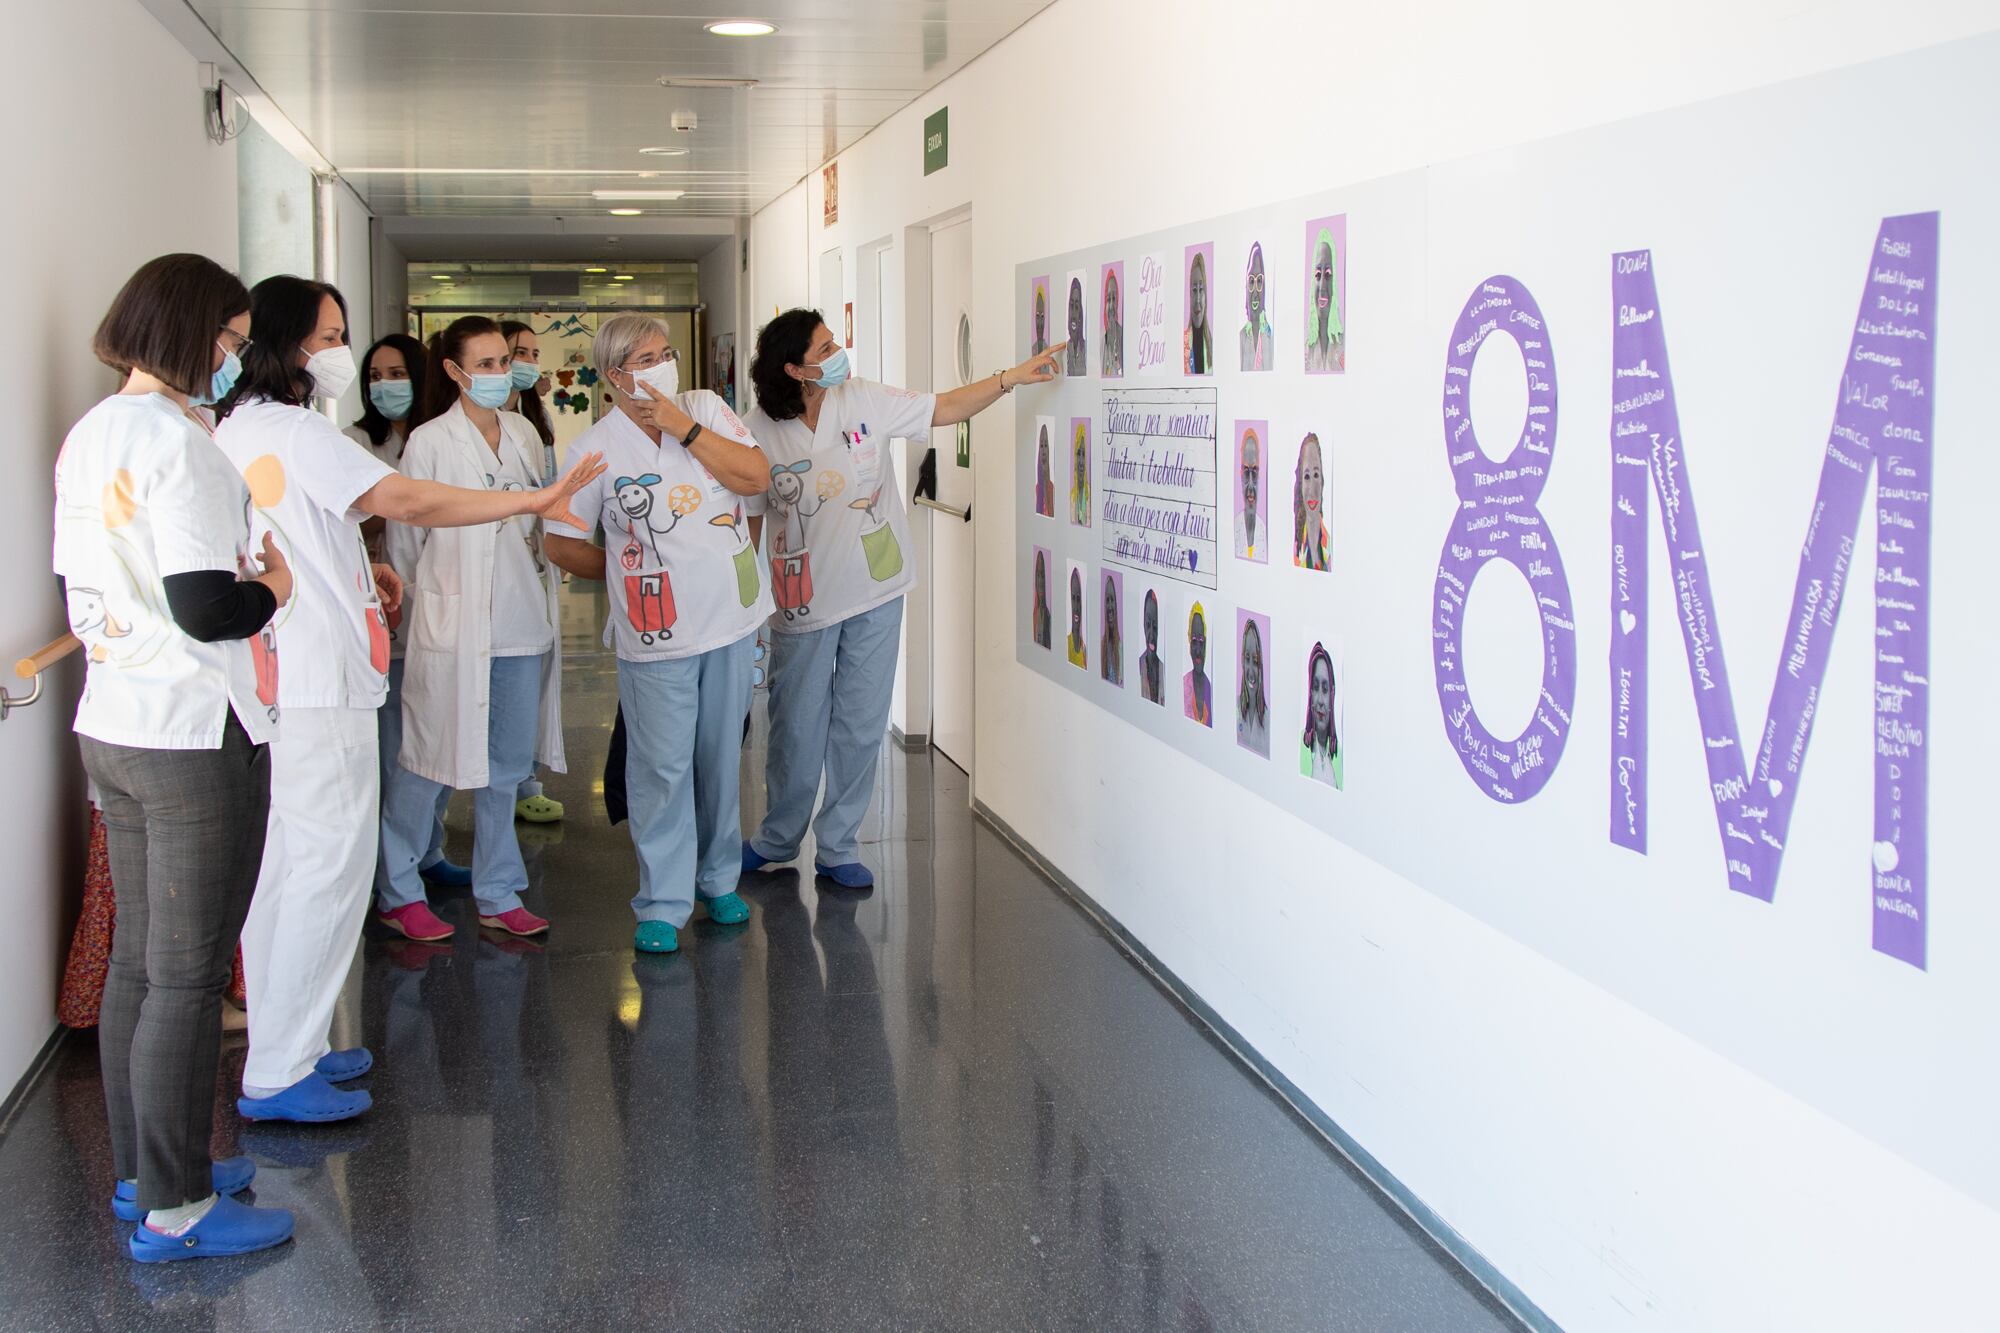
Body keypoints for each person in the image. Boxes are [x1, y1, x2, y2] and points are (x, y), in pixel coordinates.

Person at [212, 278, 602, 1123]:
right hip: (316, 683)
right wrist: (532, 500)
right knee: (323, 869)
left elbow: (322, 530)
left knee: (288, 871)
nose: (340, 351)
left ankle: (297, 1043)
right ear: (283, 342)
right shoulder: (287, 427)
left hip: (295, 673)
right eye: (328, 335)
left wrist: (365, 569)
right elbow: (405, 501)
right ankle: (280, 1069)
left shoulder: (241, 427)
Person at [54, 253, 294, 1260]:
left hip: (113, 716)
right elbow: (209, 606)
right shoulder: (181, 447)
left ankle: (143, 1172)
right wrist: (274, 584)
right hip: (191, 729)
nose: (236, 359)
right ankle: (179, 1206)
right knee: (188, 975)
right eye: (231, 341)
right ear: (189, 331)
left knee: (143, 967)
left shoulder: (94, 431)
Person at [742, 307, 1061, 888]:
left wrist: (1011, 377)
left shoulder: (862, 397)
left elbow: (942, 408)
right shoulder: (757, 431)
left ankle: (838, 845)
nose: (838, 352)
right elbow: (753, 521)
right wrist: (749, 603)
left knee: (861, 723)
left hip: (876, 588)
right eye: (824, 348)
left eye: (833, 341)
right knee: (796, 727)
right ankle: (778, 837)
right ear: (794, 369)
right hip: (802, 602)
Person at [543, 315, 771, 954]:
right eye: (649, 357)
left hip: (730, 620)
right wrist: (624, 573)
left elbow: (756, 479)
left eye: (668, 352)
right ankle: (663, 901)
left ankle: (720, 879)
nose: (666, 364)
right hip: (657, 639)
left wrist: (685, 429)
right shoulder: (594, 449)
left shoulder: (705, 407)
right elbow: (560, 543)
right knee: (662, 768)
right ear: (617, 375)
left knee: (720, 758)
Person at [376, 316, 576, 941]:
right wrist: (409, 623)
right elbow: (406, 540)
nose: (499, 374)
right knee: (427, 758)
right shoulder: (430, 443)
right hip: (449, 625)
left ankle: (499, 889)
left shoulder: (522, 432)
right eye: (484, 364)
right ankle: (398, 889)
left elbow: (540, 527)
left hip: (519, 623)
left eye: (503, 363)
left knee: (506, 763)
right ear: (455, 372)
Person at [350, 333, 465, 892]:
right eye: (375, 376)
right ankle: (391, 868)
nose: (384, 386)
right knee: (398, 745)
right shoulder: (353, 442)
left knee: (435, 738)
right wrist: (393, 512)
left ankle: (430, 849)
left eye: (396, 373)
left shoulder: (439, 437)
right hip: (381, 609)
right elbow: (349, 519)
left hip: (438, 604)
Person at [500, 319, 566, 826]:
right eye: (517, 352)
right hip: (496, 574)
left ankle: (525, 779)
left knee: (533, 681)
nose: (526, 363)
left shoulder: (532, 420)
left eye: (531, 354)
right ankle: (506, 784)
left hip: (535, 564)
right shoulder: (451, 433)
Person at [1302, 640, 1343, 788]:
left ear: (1332, 695)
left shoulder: (1340, 757)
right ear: (1310, 692)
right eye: (1315, 687)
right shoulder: (1301, 750)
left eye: (1325, 689)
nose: (1320, 700)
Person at [1306, 228, 1345, 373]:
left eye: (1328, 275)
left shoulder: (1343, 344)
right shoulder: (1307, 348)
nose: (1322, 286)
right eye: (1317, 275)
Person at [1293, 432, 1330, 571]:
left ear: (1322, 481)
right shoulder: (1297, 549)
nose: (1312, 489)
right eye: (1307, 476)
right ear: (1301, 484)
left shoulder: (1329, 546)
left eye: (1316, 475)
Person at [1237, 617, 1269, 756]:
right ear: (1242, 661)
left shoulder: (1268, 722)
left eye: (1255, 661)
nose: (1250, 670)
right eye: (1247, 659)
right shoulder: (1234, 708)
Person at [1241, 242, 1274, 371]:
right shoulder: (1241, 337)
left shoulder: (1271, 337)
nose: (1255, 292)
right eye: (1251, 281)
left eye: (1259, 281)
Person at [1183, 251, 1213, 375]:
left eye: (1201, 290)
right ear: (1189, 294)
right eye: (1194, 290)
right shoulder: (1184, 343)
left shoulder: (1212, 343)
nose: (1198, 300)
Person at [1184, 602, 1212, 726]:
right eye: (1194, 641)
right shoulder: (1183, 684)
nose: (1198, 650)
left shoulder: (1210, 688)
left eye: (1201, 641)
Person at [1237, 428, 1262, 560]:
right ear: (1240, 474)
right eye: (1246, 471)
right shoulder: (1233, 528)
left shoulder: (1264, 532)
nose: (1251, 485)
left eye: (1255, 471)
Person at [1138, 589, 1163, 704]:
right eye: (1148, 625)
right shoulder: (1138, 666)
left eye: (1155, 627)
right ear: (1143, 624)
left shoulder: (1163, 670)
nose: (1151, 635)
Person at [1100, 574, 1123, 687]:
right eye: (1107, 600)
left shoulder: (1121, 647)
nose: (1109, 606)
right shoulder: (1102, 645)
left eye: (1112, 600)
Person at [1101, 267, 1124, 378]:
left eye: (1113, 299)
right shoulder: (1102, 340)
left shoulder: (1122, 336)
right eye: (1108, 299)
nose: (1110, 306)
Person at [1065, 567, 1087, 669]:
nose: (1076, 606)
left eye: (1078, 599)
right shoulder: (1066, 644)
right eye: (1073, 598)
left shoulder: (1085, 652)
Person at [1065, 276, 1087, 376]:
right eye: (1071, 306)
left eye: (1077, 307)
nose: (1073, 313)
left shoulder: (1086, 349)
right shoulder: (1065, 349)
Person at [1070, 422, 1091, 526]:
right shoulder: (1072, 496)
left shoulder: (1089, 494)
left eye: (1084, 454)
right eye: (1079, 454)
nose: (1081, 461)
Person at [1031, 550, 1052, 649]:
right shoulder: (1034, 614)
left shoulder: (1048, 616)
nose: (1040, 582)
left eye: (1043, 576)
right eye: (1038, 576)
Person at [1033, 425, 1054, 518]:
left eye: (1046, 445)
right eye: (1041, 446)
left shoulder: (1051, 488)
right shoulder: (1037, 489)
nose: (1044, 451)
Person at [1032, 281, 1049, 356]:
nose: (1039, 322)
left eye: (1042, 316)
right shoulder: (1033, 348)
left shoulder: (1047, 349)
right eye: (1037, 316)